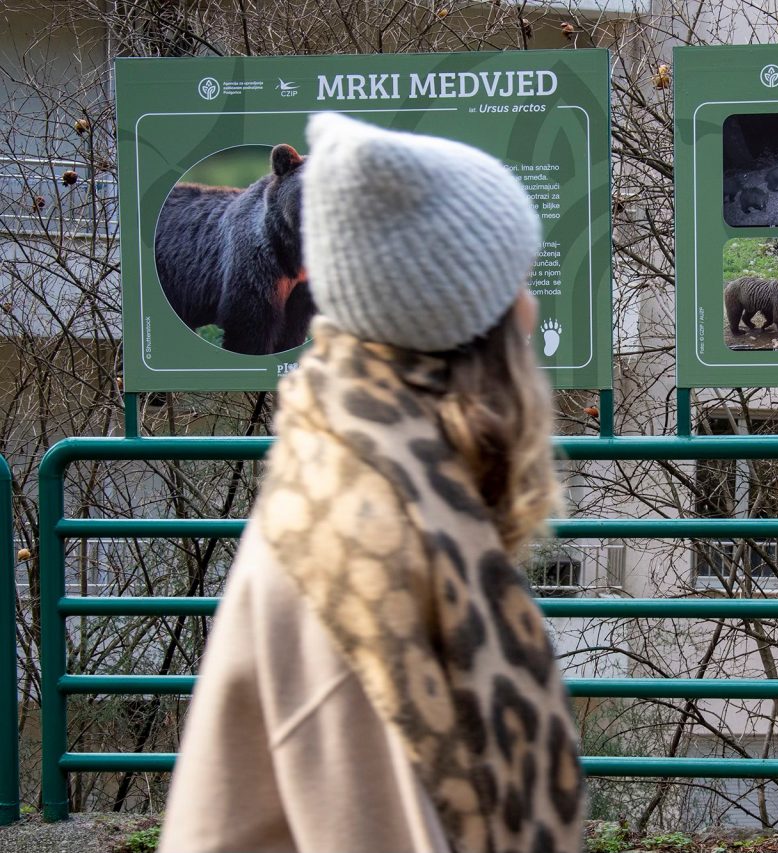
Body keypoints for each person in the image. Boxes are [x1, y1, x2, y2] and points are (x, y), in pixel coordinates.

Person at [159, 113, 586, 853]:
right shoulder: (366, 550)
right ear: (455, 319)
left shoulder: (371, 476)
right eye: (511, 281)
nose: (530, 306)